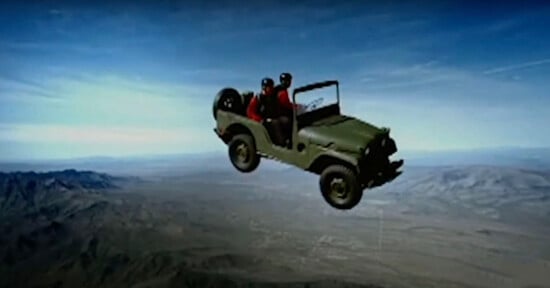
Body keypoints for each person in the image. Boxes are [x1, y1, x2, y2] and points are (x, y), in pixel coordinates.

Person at [247, 77, 290, 147]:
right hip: (263, 120)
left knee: (286, 120)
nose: (270, 89)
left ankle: (290, 139)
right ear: (264, 87)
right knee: (275, 124)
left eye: (271, 87)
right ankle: (281, 143)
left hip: (274, 117)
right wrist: (260, 120)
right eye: (268, 87)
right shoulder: (258, 98)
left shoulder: (273, 95)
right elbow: (250, 112)